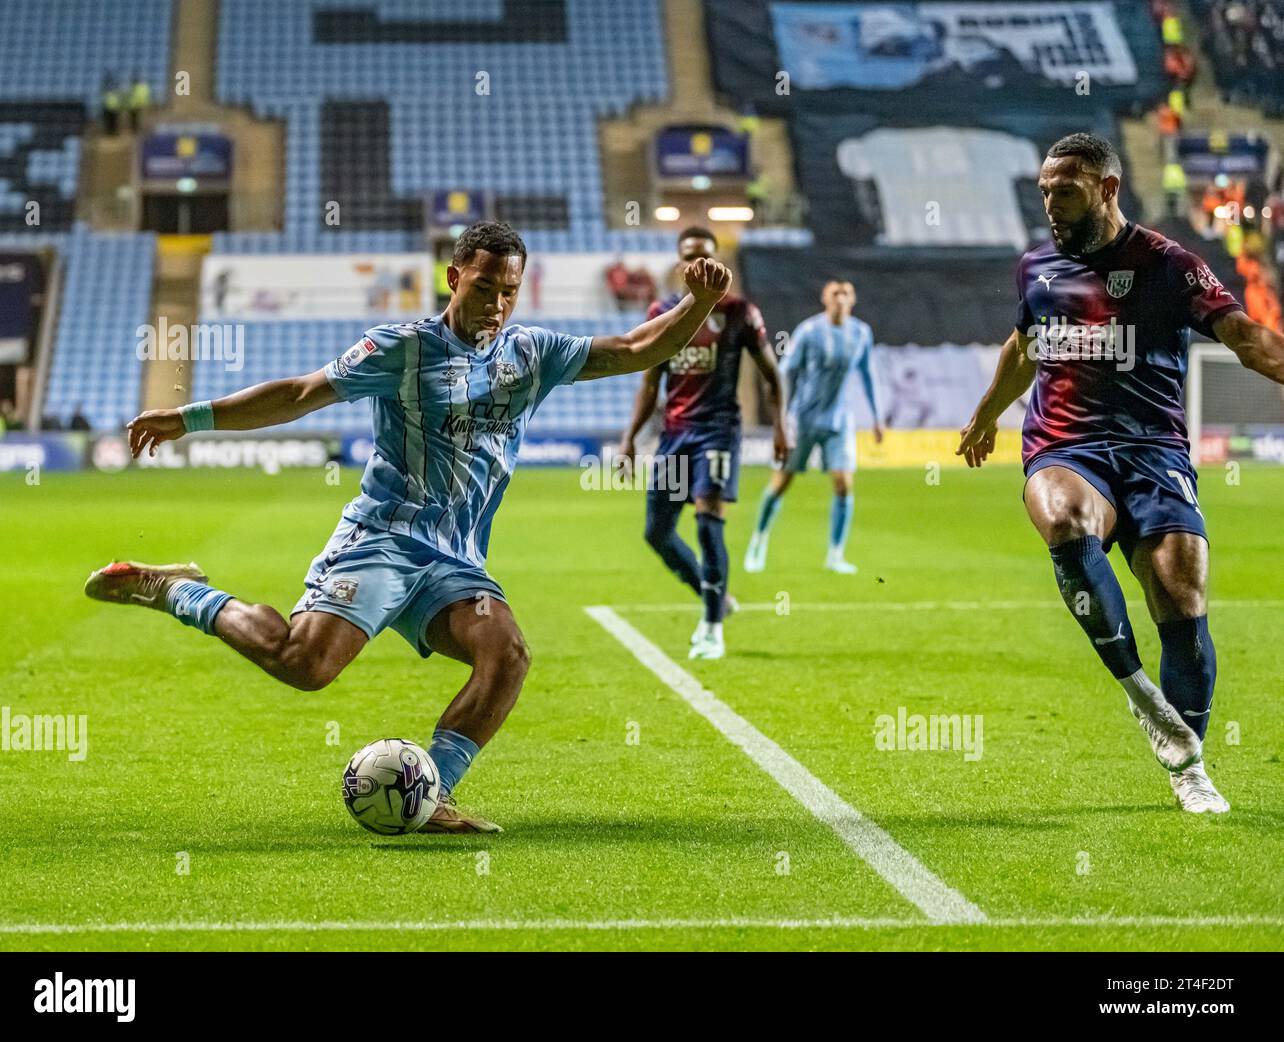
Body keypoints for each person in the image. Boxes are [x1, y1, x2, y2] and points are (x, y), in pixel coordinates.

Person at [84, 220, 735, 833]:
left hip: (456, 563)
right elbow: (301, 393)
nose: (497, 305)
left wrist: (698, 304)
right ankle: (175, 590)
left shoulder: (532, 355)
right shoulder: (402, 348)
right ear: (455, 278)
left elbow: (632, 348)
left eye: (509, 292)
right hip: (385, 540)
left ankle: (435, 794)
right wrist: (189, 418)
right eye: (484, 288)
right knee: (303, 664)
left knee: (506, 655)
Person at [957, 133, 1284, 814]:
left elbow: (1247, 340)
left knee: (1182, 600)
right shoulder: (1037, 268)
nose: (1051, 202)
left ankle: (1188, 767)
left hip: (1154, 451)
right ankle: (1142, 695)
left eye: (1065, 189)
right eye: (1045, 189)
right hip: (1065, 445)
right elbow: (1025, 346)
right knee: (1066, 519)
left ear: (1107, 188)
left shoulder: (1170, 266)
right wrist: (988, 414)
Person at [617, 226, 789, 660]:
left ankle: (712, 628)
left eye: (707, 256)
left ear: (718, 263)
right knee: (657, 533)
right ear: (680, 264)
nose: (699, 264)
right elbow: (649, 382)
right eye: (691, 256)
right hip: (675, 435)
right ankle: (717, 598)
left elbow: (771, 375)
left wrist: (782, 428)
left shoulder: (740, 313)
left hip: (717, 432)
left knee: (709, 523)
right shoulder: (663, 311)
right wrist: (629, 439)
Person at [744, 280, 882, 574]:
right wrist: (781, 416)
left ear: (853, 299)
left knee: (844, 483)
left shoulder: (861, 333)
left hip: (838, 420)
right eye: (835, 293)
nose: (841, 298)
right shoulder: (809, 331)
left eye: (846, 293)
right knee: (781, 483)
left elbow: (868, 374)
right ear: (824, 298)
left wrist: (877, 417)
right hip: (802, 419)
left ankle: (836, 553)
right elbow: (786, 371)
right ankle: (758, 540)